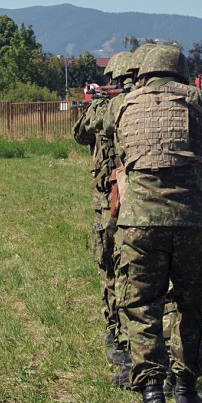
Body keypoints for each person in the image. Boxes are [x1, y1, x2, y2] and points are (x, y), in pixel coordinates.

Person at [105, 45, 202, 403]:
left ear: (145, 72)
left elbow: (109, 138)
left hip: (139, 223)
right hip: (191, 220)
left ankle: (153, 400)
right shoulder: (196, 99)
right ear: (180, 71)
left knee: (142, 307)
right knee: (189, 304)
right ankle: (186, 388)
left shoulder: (123, 104)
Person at [73, 51, 129, 373]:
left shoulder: (113, 109)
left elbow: (80, 133)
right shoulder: (130, 106)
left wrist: (98, 106)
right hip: (121, 198)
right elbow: (81, 134)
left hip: (115, 199)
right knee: (117, 265)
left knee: (111, 266)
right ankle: (119, 330)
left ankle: (117, 332)